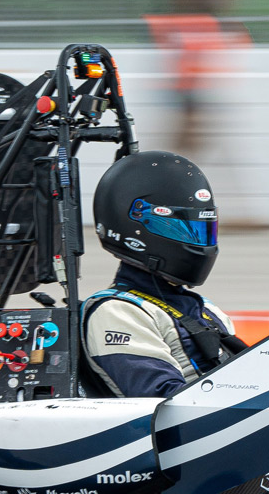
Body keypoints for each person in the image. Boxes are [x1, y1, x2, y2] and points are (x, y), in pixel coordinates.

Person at [84, 151, 245, 398]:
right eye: (183, 228)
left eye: (203, 229)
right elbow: (164, 401)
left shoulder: (204, 309)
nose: (199, 242)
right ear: (136, 226)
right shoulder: (117, 313)